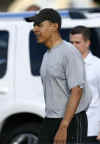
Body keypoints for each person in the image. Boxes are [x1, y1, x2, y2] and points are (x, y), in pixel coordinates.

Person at [26, 8, 90, 144]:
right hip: (51, 119)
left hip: (71, 121)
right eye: (34, 25)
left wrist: (64, 126)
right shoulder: (47, 55)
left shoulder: (69, 52)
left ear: (55, 26)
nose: (35, 29)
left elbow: (77, 91)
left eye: (39, 25)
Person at [70, 25, 100, 144]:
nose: (73, 46)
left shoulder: (97, 65)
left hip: (91, 128)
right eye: (71, 42)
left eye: (77, 42)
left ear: (87, 43)